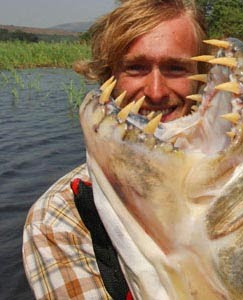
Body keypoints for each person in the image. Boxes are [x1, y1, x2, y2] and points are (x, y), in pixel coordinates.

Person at [22, 1, 207, 299]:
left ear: (202, 75)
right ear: (109, 77)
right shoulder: (61, 220)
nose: (156, 91)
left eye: (176, 68)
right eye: (135, 68)